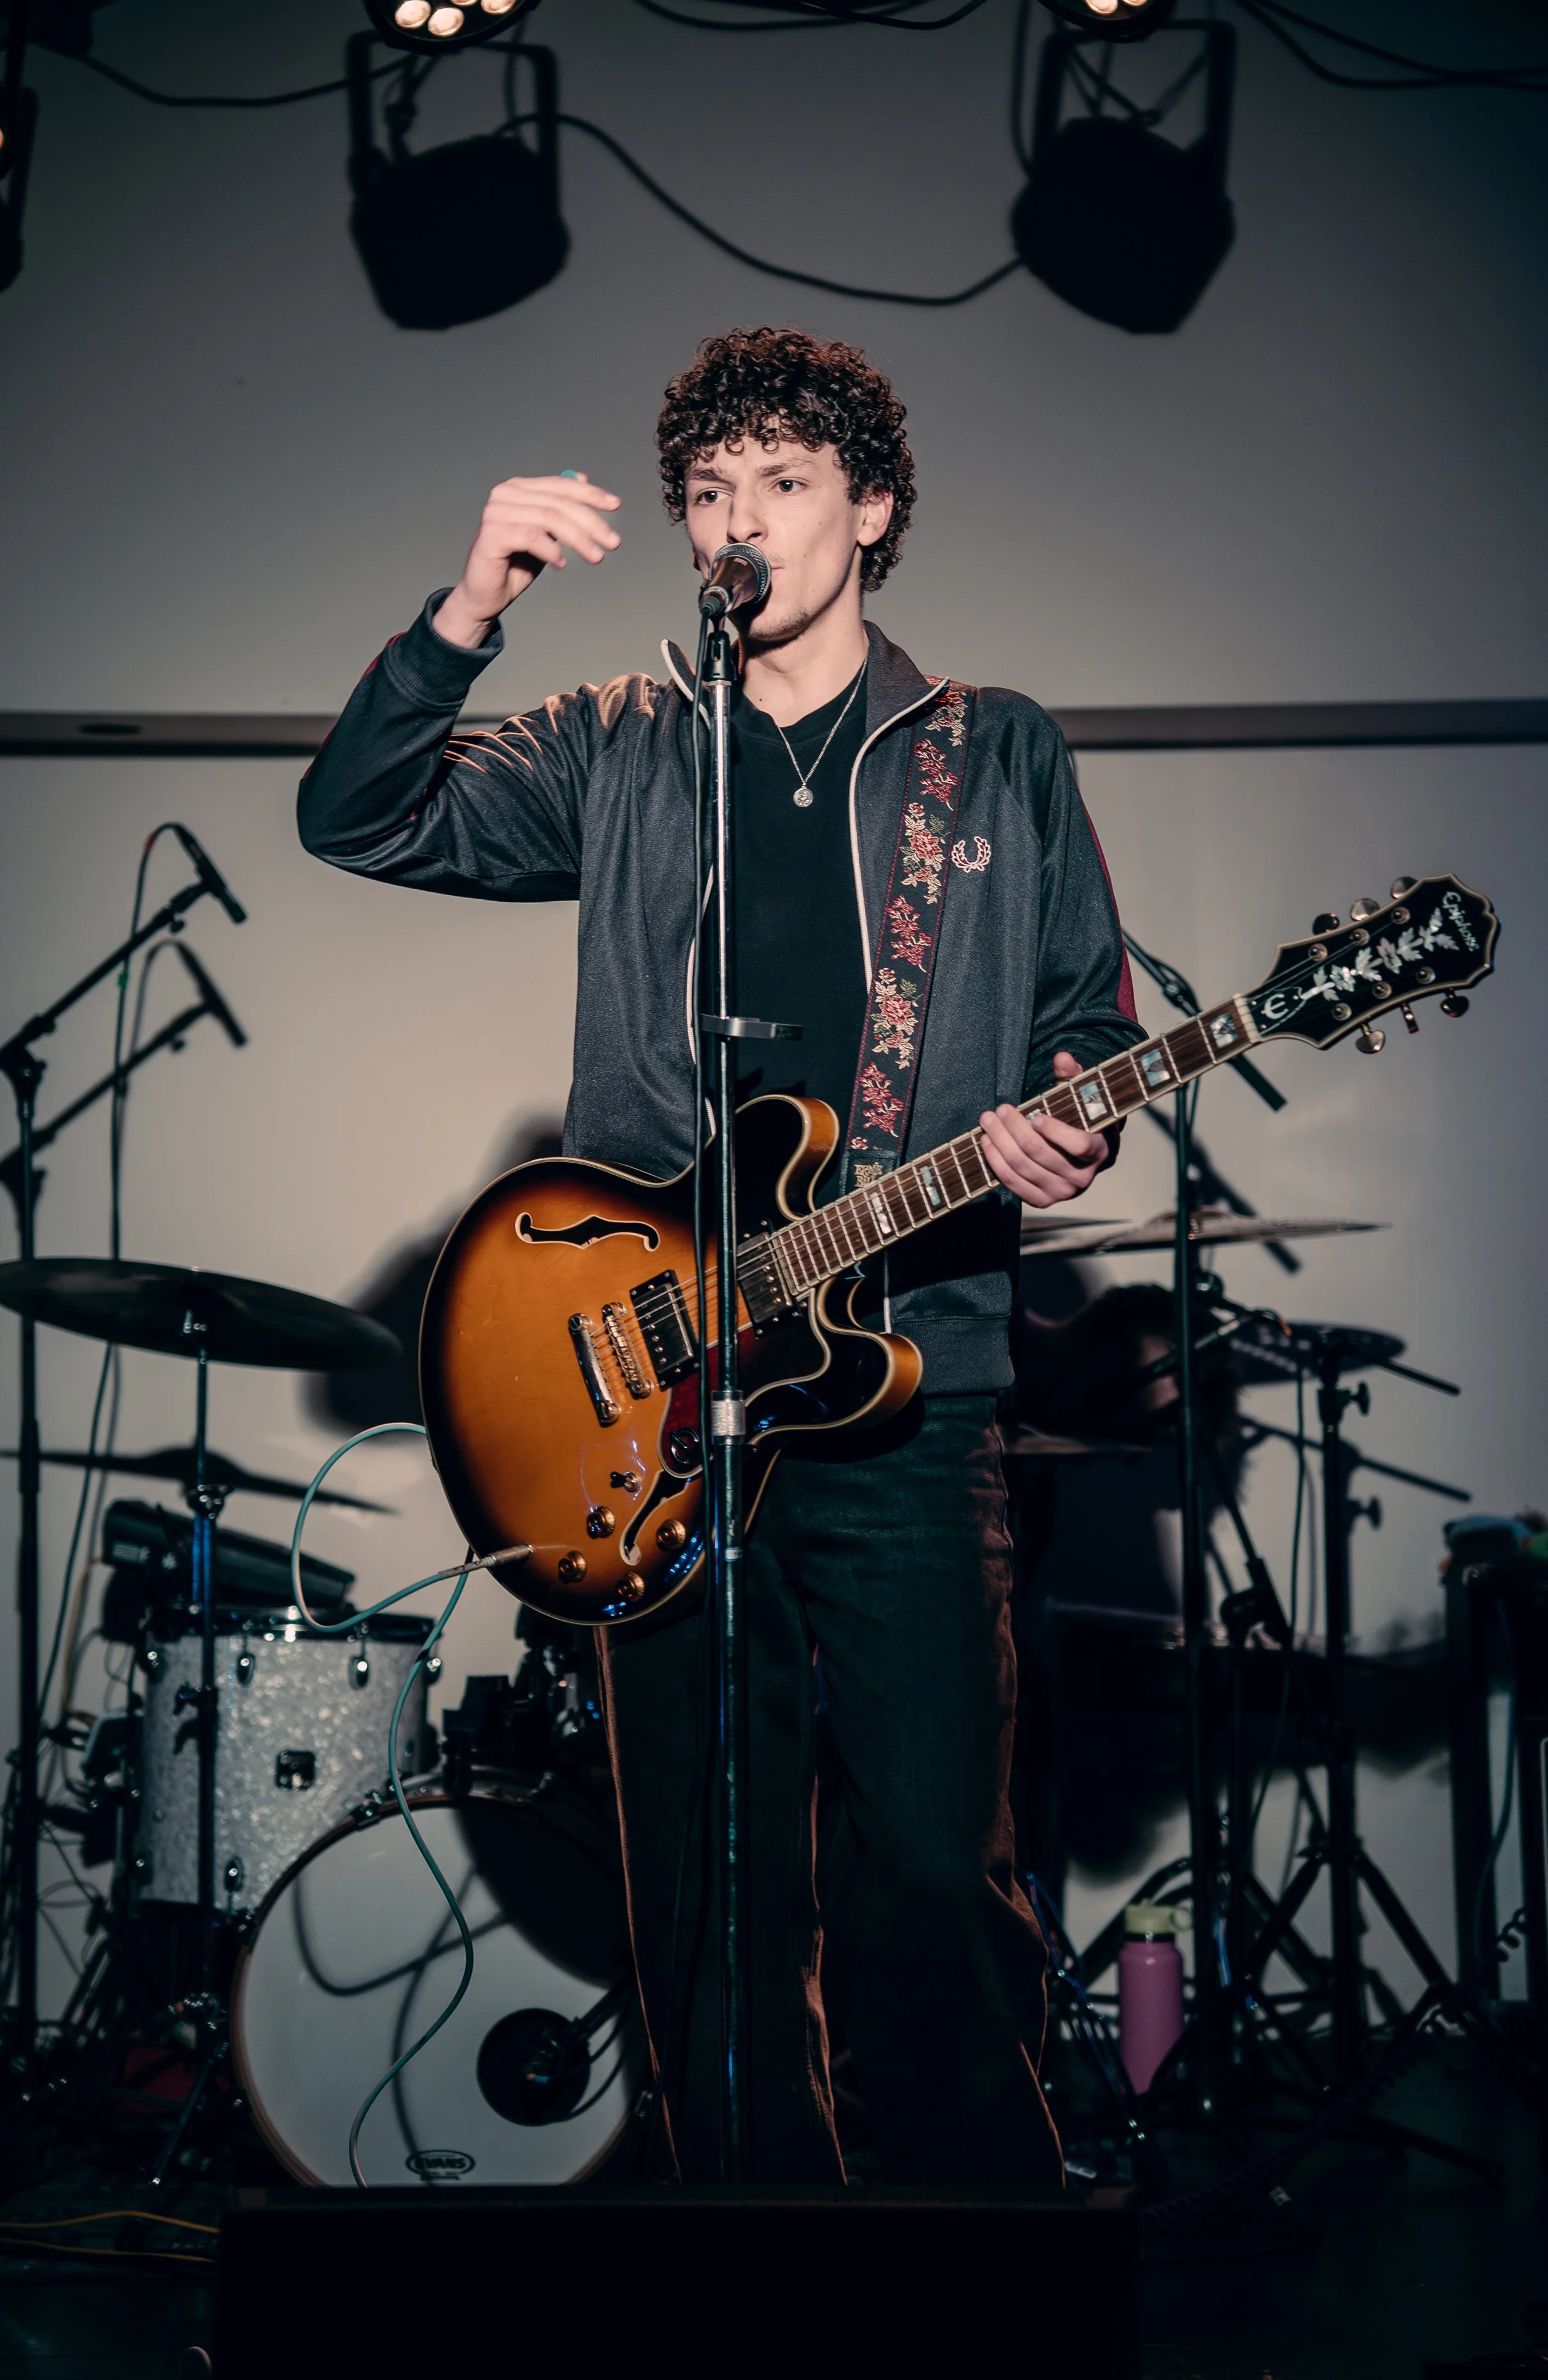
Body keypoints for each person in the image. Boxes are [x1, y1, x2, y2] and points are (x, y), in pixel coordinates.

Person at [298, 326, 1142, 2188]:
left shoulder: (988, 751)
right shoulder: (614, 741)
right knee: (696, 1874)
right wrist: (467, 607)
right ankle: (750, 2261)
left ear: (871, 509)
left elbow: (1087, 1018)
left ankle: (971, 2267)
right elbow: (356, 814)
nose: (735, 522)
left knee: (935, 1859)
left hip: (910, 1383)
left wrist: (1069, 1114)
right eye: (705, 493)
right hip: (664, 1394)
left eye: (779, 483)